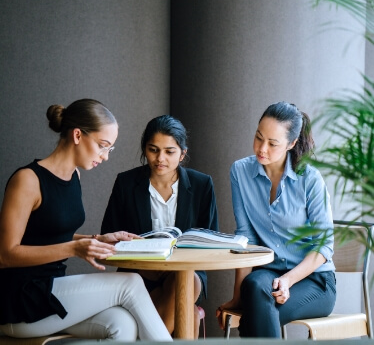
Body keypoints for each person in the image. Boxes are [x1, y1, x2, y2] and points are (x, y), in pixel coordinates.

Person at [0, 99, 172, 342]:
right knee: (130, 282)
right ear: (78, 135)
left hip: (52, 291)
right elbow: (5, 255)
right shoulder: (27, 180)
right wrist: (73, 249)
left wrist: (96, 239)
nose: (105, 157)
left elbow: (48, 234)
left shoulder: (74, 176)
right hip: (21, 301)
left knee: (122, 324)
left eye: (109, 149)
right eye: (103, 146)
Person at [216, 102, 336, 338]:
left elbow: (324, 245)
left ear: (291, 144)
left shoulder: (310, 178)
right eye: (259, 137)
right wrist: (236, 299)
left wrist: (288, 281)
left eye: (273, 143)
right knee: (252, 287)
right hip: (268, 276)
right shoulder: (240, 172)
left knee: (256, 313)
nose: (262, 148)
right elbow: (246, 237)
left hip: (314, 280)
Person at [101, 114, 219, 338]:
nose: (160, 158)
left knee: (187, 281)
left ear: (182, 154)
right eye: (153, 149)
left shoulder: (202, 185)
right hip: (139, 271)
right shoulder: (126, 183)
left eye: (169, 151)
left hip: (187, 271)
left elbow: (209, 240)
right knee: (189, 314)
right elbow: (110, 234)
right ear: (144, 149)